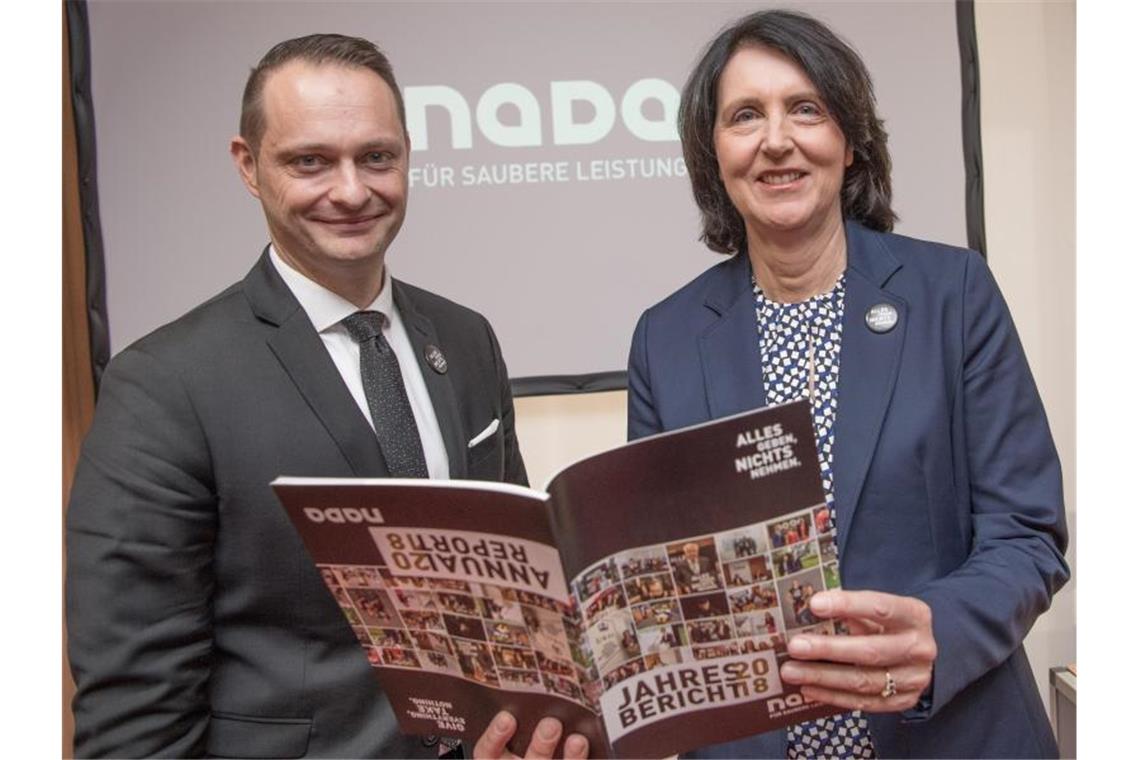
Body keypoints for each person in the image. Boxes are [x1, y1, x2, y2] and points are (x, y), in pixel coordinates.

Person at [66, 33, 585, 759]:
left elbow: (512, 589)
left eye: (377, 156)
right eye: (310, 161)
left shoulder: (467, 340)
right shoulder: (163, 384)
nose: (351, 190)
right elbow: (135, 708)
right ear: (248, 166)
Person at [626, 10, 1067, 758]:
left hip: (950, 731)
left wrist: (939, 630)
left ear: (850, 138)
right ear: (713, 154)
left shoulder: (952, 294)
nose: (776, 140)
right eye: (744, 116)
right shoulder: (665, 338)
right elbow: (658, 576)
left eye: (806, 108)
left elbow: (1028, 534)